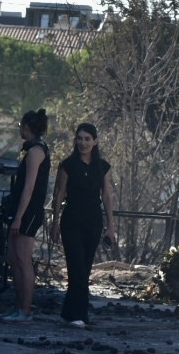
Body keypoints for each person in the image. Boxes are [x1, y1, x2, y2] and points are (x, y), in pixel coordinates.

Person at [49, 122, 116, 328]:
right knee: (76, 266)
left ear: (95, 142)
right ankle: (76, 314)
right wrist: (55, 222)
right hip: (71, 220)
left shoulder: (102, 166)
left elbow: (106, 195)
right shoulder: (67, 165)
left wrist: (111, 226)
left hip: (93, 221)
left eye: (87, 139)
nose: (83, 143)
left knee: (85, 268)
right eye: (79, 138)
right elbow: (59, 194)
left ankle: (74, 314)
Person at [1, 109, 50, 323]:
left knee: (23, 259)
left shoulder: (36, 151)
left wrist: (19, 217)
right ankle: (17, 305)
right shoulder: (30, 150)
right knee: (13, 258)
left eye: (21, 126)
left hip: (28, 212)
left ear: (26, 127)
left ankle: (26, 310)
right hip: (19, 210)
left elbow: (29, 188)